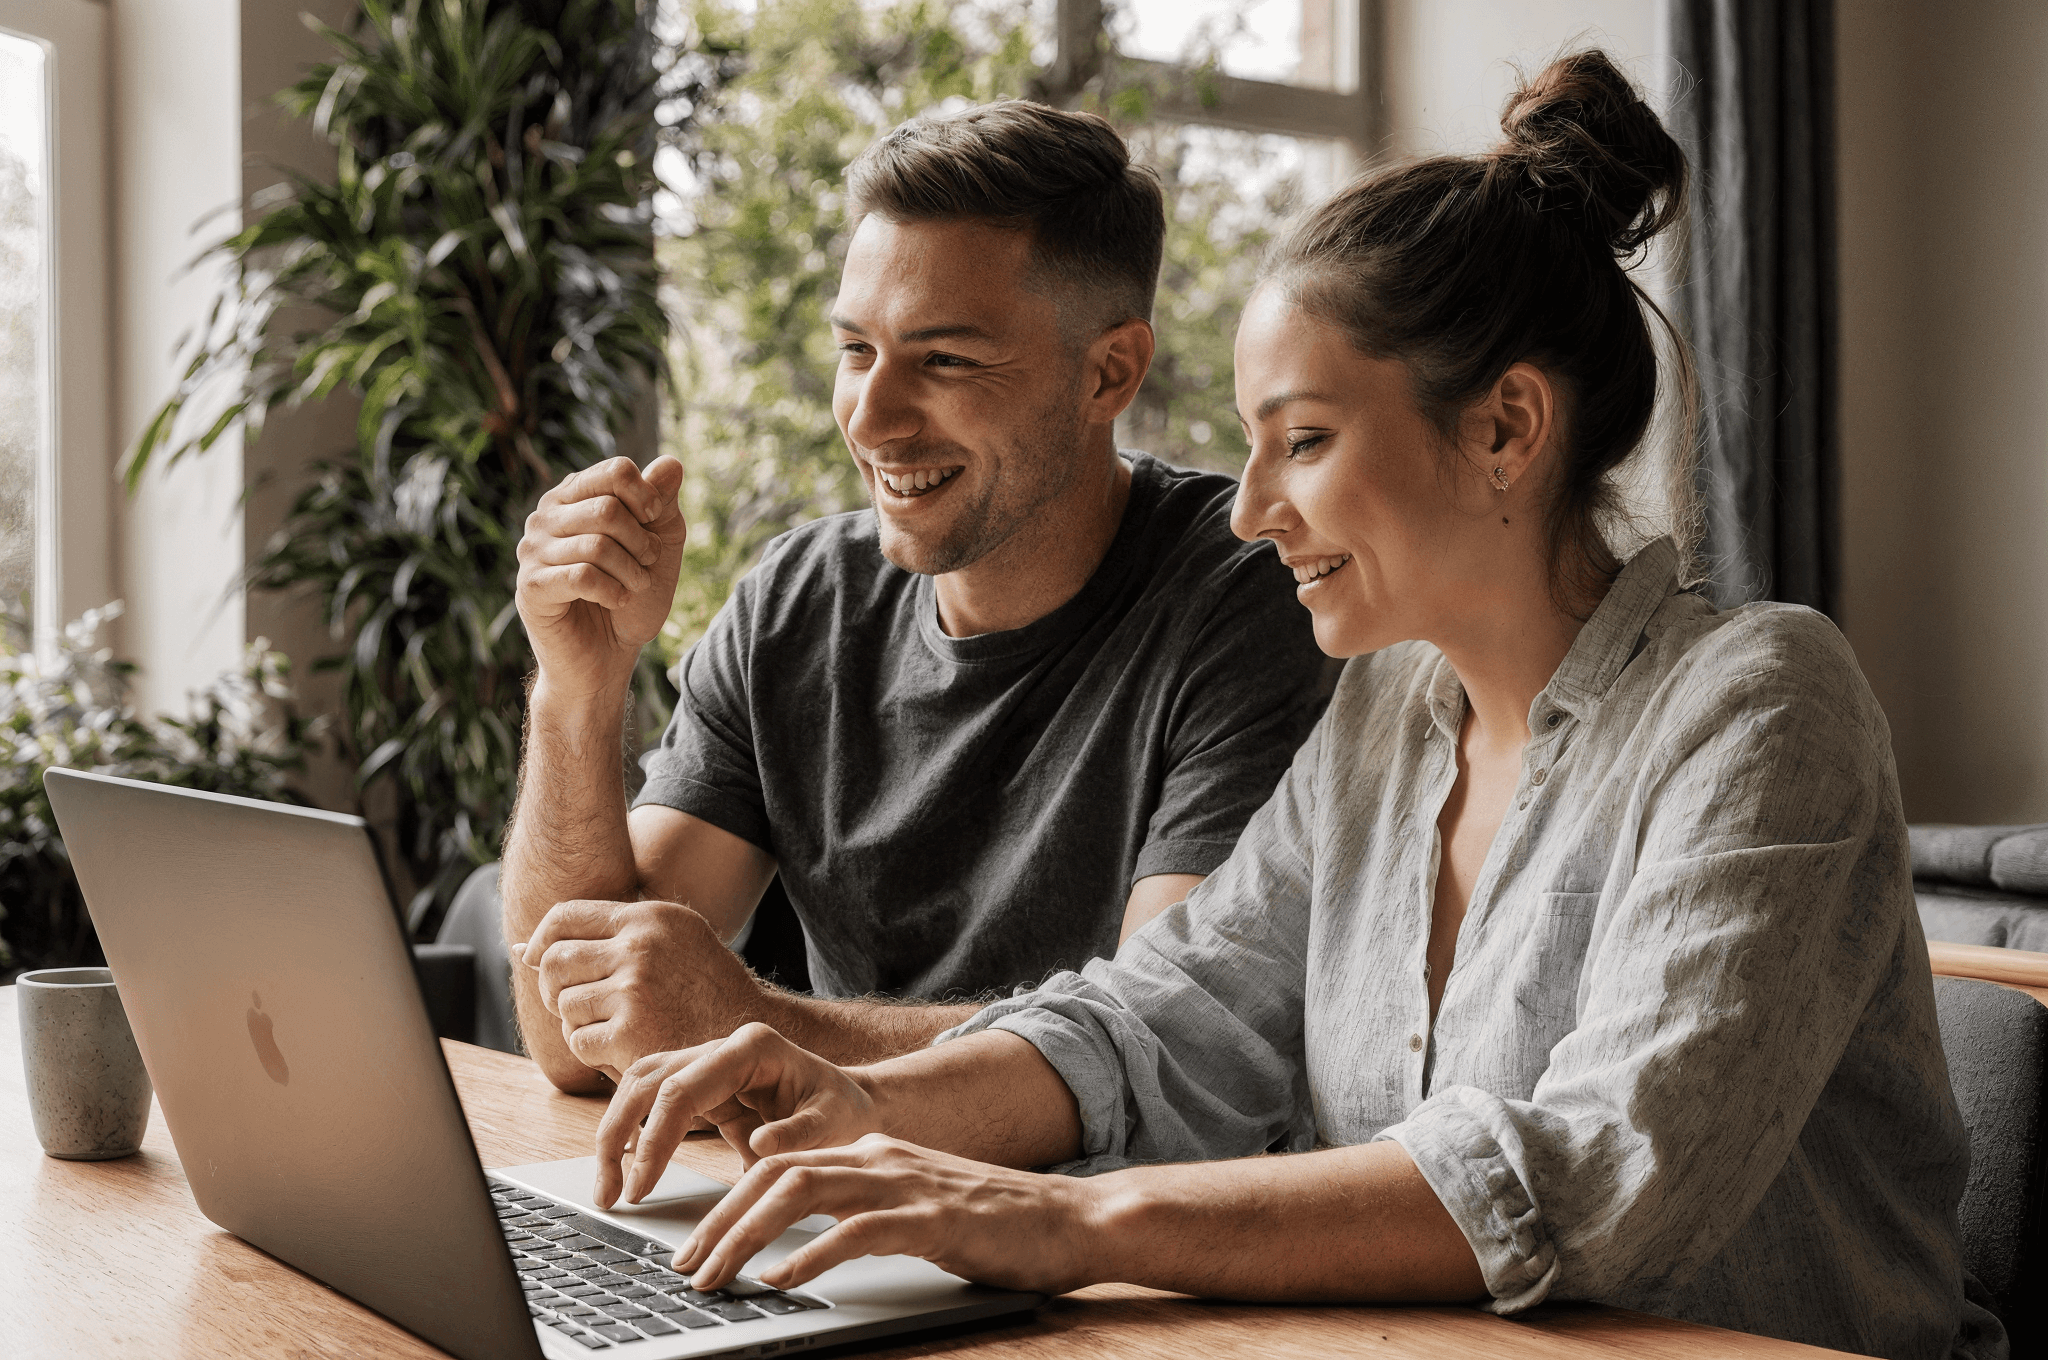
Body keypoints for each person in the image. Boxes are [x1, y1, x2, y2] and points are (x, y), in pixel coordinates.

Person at [586, 52, 2003, 1360]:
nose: (1250, 510)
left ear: (1505, 428)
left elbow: (1596, 1175)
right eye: (1252, 448)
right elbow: (1171, 1016)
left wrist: (1067, 1221)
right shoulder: (1386, 715)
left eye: (1305, 442)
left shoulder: (1761, 706)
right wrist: (862, 1106)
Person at [501, 101, 1330, 1094]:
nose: (873, 418)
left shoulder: (1250, 601)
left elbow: (1162, 1043)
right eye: (856, 351)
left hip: (1084, 1198)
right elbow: (575, 1040)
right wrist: (576, 691)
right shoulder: (793, 607)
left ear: (1109, 373)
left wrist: (755, 1026)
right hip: (822, 1179)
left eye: (944, 360)